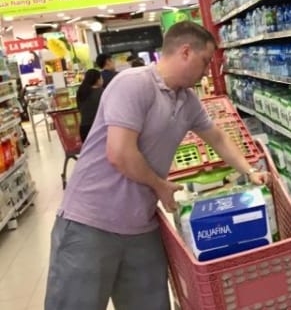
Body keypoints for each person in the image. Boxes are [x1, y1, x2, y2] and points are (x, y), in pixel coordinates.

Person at [45, 21, 270, 310]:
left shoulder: (187, 100)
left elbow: (217, 137)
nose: (206, 71)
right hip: (89, 223)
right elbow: (120, 153)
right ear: (186, 52)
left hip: (140, 226)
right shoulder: (134, 83)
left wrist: (249, 171)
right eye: (204, 62)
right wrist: (160, 186)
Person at [76, 69, 103, 142]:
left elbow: (79, 108)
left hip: (84, 128)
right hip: (98, 127)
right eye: (101, 78)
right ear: (97, 80)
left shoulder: (81, 92)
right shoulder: (102, 92)